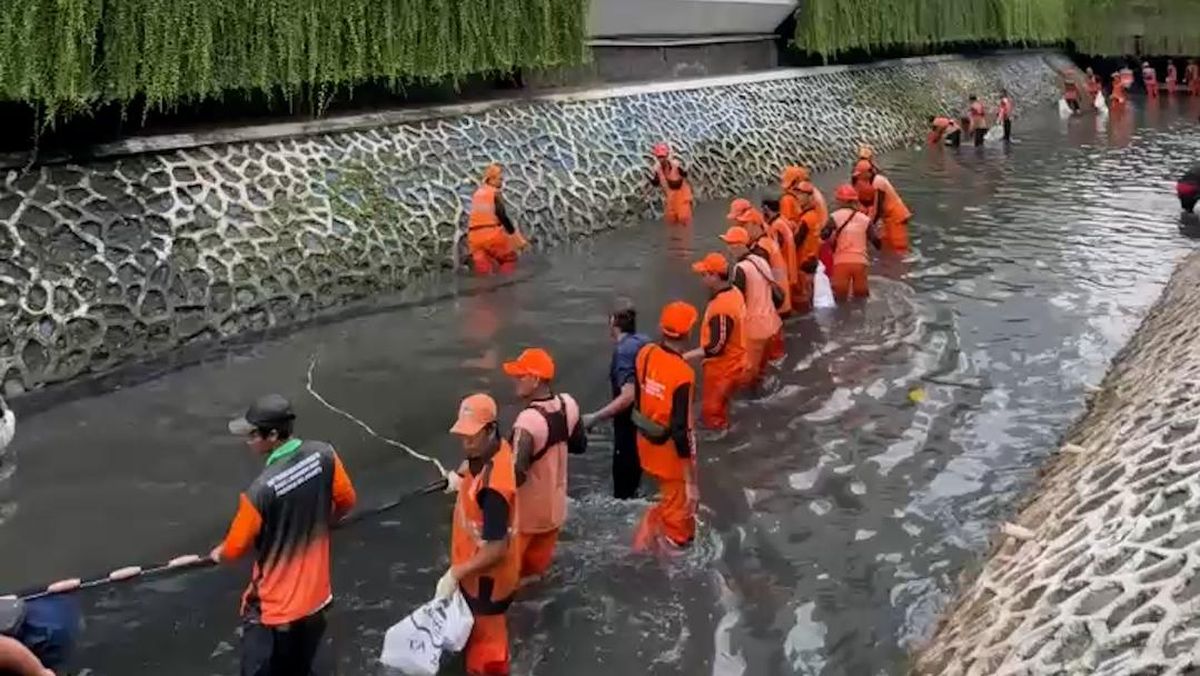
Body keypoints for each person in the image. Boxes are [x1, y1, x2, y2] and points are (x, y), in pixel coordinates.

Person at [212, 394, 358, 676]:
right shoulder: (324, 454)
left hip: (273, 614)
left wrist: (218, 553)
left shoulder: (260, 491)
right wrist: (320, 524)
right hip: (316, 602)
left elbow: (234, 548)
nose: (249, 440)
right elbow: (347, 500)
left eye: (254, 434)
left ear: (274, 435)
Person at [439, 394, 521, 675]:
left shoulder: (494, 491)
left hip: (487, 584)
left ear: (490, 430)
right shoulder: (497, 450)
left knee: (486, 657)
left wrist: (456, 574)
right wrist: (461, 479)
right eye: (462, 434)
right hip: (479, 575)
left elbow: (497, 547)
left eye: (472, 436)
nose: (465, 442)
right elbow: (477, 470)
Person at [503, 348, 586, 580]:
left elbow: (514, 476)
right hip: (555, 513)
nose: (515, 382)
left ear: (536, 379)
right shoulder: (569, 404)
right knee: (534, 578)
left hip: (526, 519)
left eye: (520, 377)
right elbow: (579, 445)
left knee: (508, 580)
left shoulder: (527, 422)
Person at [631, 302, 699, 550]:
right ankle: (650, 545)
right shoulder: (683, 374)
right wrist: (690, 481)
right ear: (688, 333)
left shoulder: (645, 353)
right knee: (679, 526)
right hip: (671, 456)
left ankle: (653, 521)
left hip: (646, 442)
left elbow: (639, 396)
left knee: (670, 499)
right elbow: (680, 430)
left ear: (662, 329)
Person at [582, 301, 650, 499]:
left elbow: (627, 396)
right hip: (646, 421)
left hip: (628, 426)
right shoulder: (645, 342)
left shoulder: (623, 352)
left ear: (613, 324)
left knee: (623, 492)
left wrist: (595, 417)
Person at [684, 254, 748, 431]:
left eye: (704, 275)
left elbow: (716, 347)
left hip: (723, 369)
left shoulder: (722, 307)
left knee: (712, 414)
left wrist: (686, 356)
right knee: (723, 406)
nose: (702, 279)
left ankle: (724, 445)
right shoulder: (734, 292)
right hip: (738, 360)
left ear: (715, 276)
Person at [720, 225, 782, 387]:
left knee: (747, 375)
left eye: (730, 245)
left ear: (739, 246)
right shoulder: (761, 260)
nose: (728, 249)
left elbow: (737, 302)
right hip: (772, 324)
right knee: (761, 372)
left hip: (754, 329)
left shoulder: (741, 268)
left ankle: (752, 406)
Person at [823, 185, 880, 302]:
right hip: (860, 263)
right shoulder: (865, 219)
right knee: (862, 298)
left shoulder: (834, 217)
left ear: (840, 201)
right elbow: (877, 243)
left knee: (840, 300)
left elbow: (823, 235)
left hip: (841, 262)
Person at [467, 164, 520, 275]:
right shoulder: (494, 193)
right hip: (491, 235)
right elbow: (502, 215)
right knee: (509, 259)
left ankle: (485, 289)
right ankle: (505, 285)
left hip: (474, 239)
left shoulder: (477, 194)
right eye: (500, 179)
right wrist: (514, 235)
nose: (502, 182)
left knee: (484, 272)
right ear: (491, 179)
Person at [853, 160, 911, 253]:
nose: (859, 176)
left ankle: (903, 267)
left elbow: (878, 208)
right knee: (886, 246)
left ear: (868, 173)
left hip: (897, 217)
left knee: (899, 248)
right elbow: (872, 204)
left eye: (861, 174)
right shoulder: (872, 182)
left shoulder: (878, 181)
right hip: (888, 217)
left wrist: (869, 226)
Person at [762, 199, 800, 313]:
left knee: (782, 303)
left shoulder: (775, 226)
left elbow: (775, 249)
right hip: (791, 265)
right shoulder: (784, 221)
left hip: (781, 268)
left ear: (766, 209)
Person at [649, 143, 694, 227]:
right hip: (670, 198)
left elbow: (683, 175)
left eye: (663, 156)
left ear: (667, 156)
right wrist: (652, 180)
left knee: (683, 219)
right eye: (659, 157)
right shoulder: (657, 169)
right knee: (670, 221)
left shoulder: (675, 165)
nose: (661, 159)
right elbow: (656, 183)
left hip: (682, 197)